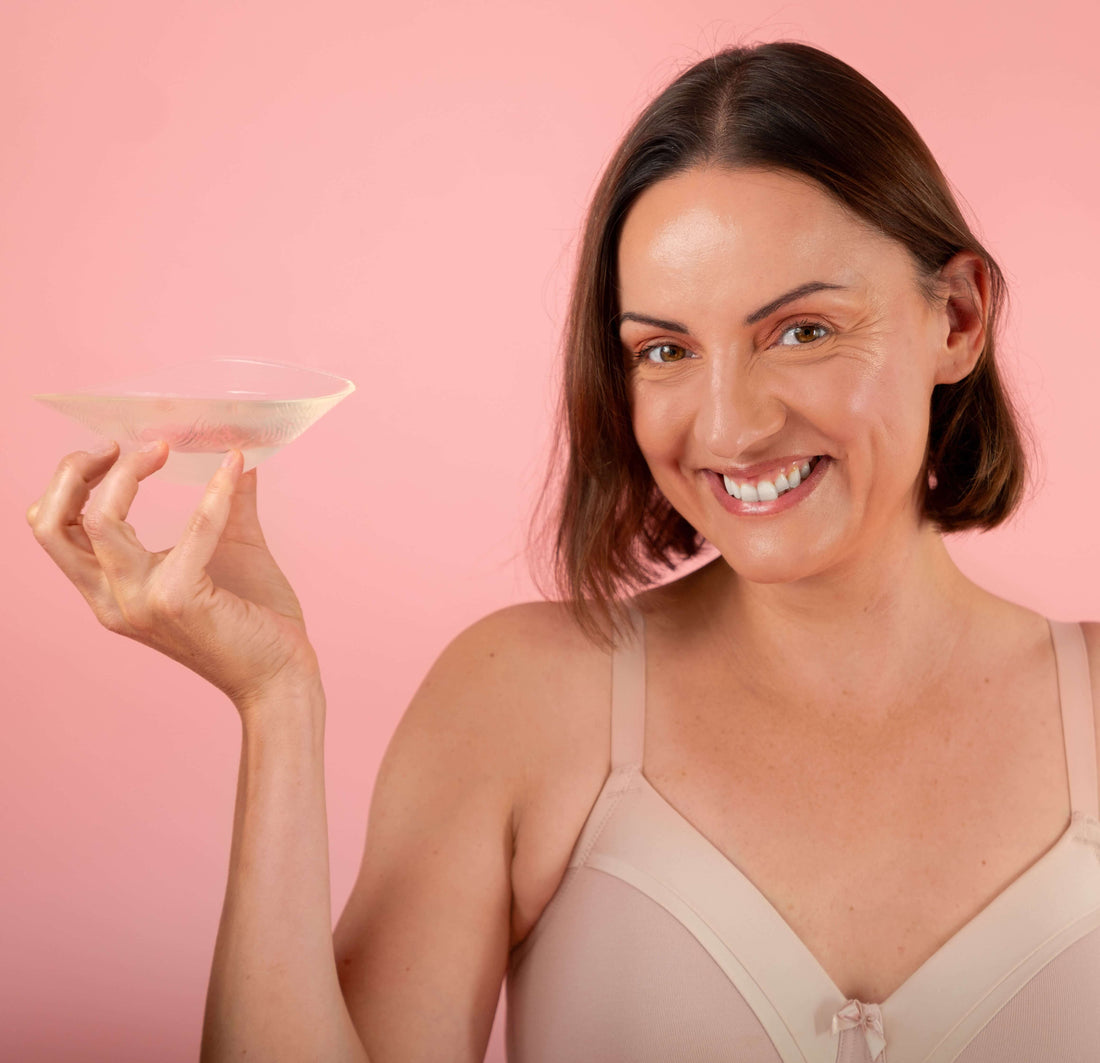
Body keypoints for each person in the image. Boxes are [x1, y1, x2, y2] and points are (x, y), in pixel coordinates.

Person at [26, 40, 1100, 1063]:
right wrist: (275, 702)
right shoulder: (521, 702)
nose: (725, 428)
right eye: (665, 350)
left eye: (799, 330)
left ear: (955, 318)